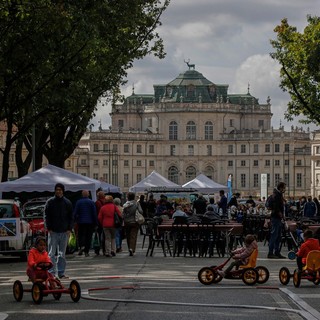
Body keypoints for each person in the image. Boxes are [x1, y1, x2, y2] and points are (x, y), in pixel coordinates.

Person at [45, 183, 73, 279]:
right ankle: (51, 273)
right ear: (55, 190)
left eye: (60, 190)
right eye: (57, 189)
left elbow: (71, 217)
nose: (58, 191)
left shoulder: (67, 202)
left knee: (62, 254)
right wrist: (49, 228)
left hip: (64, 231)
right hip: (53, 232)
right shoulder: (50, 202)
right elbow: (46, 216)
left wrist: (69, 229)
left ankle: (61, 273)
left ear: (63, 191)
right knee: (51, 253)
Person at [73, 190, 98, 257]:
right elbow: (94, 213)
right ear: (88, 195)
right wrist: (96, 223)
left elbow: (75, 212)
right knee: (88, 236)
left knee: (81, 235)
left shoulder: (78, 202)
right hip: (90, 222)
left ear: (82, 195)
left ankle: (81, 246)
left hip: (81, 222)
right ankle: (86, 251)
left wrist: (74, 220)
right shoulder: (91, 202)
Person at [267, 181, 286, 259]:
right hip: (276, 217)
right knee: (274, 235)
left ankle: (277, 252)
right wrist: (281, 214)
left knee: (278, 236)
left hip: (277, 217)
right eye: (284, 188)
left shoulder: (278, 194)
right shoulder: (277, 195)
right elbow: (276, 206)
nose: (285, 189)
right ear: (281, 188)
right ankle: (271, 252)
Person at [122, 192, 143, 256]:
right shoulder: (136, 203)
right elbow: (141, 211)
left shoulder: (125, 204)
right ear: (133, 197)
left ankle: (129, 248)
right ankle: (132, 248)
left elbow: (123, 214)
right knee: (133, 236)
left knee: (128, 236)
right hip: (134, 222)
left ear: (128, 197)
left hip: (127, 222)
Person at [95, 190, 106, 255]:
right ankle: (104, 250)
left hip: (99, 222)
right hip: (106, 222)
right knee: (105, 236)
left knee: (98, 236)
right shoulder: (106, 202)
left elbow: (95, 213)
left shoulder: (97, 203)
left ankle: (97, 249)